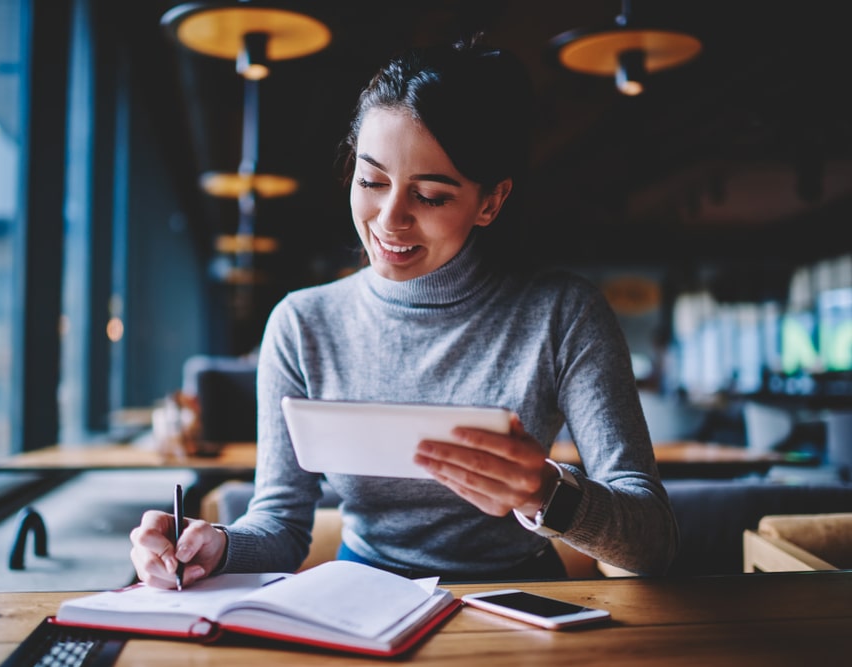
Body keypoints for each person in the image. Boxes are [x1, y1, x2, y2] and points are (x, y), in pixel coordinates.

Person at [130, 36, 679, 588]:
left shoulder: (562, 314)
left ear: (490, 202)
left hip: (520, 599)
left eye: (432, 196)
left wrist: (550, 496)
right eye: (371, 181)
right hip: (362, 598)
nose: (389, 220)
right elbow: (281, 525)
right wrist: (214, 548)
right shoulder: (302, 324)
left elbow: (652, 539)